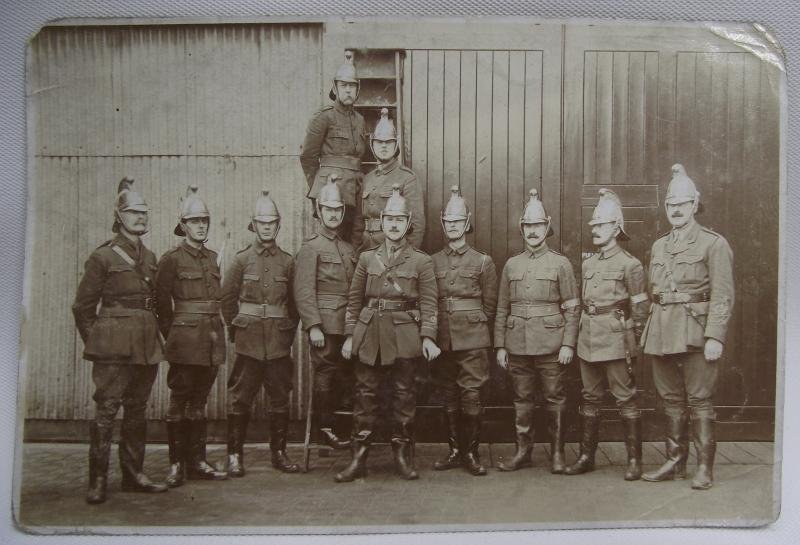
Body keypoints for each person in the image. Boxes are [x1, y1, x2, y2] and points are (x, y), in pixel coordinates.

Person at [72, 177, 168, 504]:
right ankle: (97, 480)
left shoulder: (151, 257)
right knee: (107, 412)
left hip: (144, 344)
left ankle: (133, 475)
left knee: (137, 410)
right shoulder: (103, 257)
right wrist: (98, 341)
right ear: (119, 215)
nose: (140, 217)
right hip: (113, 348)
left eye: (144, 212)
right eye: (132, 212)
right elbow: (83, 307)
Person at [336, 184, 440, 482]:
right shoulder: (367, 258)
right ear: (382, 222)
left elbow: (430, 302)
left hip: (404, 336)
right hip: (369, 336)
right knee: (365, 395)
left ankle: (402, 456)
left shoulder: (422, 261)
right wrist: (349, 336)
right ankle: (359, 458)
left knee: (404, 396)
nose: (394, 225)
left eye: (400, 220)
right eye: (389, 219)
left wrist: (428, 337)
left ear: (408, 224)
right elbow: (354, 300)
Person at [641, 164, 734, 490]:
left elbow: (723, 295)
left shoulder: (714, 244)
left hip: (696, 332)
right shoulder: (659, 246)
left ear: (695, 204)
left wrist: (715, 336)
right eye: (670, 204)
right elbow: (656, 292)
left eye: (682, 204)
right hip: (663, 331)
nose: (676, 210)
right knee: (671, 400)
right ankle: (674, 461)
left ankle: (704, 468)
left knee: (699, 400)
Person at [564, 189, 649, 480]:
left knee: (626, 398)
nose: (595, 230)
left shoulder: (631, 264)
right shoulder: (588, 264)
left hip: (616, 340)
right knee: (589, 398)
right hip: (588, 338)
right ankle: (587, 456)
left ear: (616, 227)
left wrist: (633, 343)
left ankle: (634, 461)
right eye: (593, 226)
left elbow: (639, 308)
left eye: (601, 225)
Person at [494, 189, 580, 473]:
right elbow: (502, 308)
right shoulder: (511, 264)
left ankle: (557, 454)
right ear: (522, 228)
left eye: (538, 225)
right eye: (528, 226)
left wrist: (568, 344)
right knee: (522, 399)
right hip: (517, 344)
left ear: (547, 227)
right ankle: (523, 452)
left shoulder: (561, 263)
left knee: (555, 398)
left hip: (551, 344)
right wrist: (501, 346)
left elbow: (572, 307)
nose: (533, 231)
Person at [221, 189, 301, 476]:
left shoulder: (288, 262)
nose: (267, 228)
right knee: (240, 397)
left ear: (278, 226)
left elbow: (294, 304)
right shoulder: (241, 261)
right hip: (249, 341)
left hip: (278, 340)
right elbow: (227, 299)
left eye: (272, 223)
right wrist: (236, 328)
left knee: (280, 397)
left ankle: (279, 453)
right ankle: (234, 455)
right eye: (262, 223)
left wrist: (287, 333)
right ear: (253, 225)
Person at [155, 185, 228, 487]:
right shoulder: (171, 259)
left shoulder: (212, 258)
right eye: (194, 221)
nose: (201, 226)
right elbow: (161, 305)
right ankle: (175, 464)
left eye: (204, 221)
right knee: (179, 402)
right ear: (182, 225)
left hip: (211, 339)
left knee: (199, 402)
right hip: (185, 341)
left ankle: (197, 460)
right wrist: (174, 334)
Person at [430, 186, 497, 476]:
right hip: (442, 338)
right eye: (448, 222)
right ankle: (454, 450)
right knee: (448, 394)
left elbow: (491, 305)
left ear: (467, 223)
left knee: (471, 395)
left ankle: (471, 453)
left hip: (473, 338)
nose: (452, 226)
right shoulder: (432, 261)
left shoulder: (483, 261)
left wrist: (474, 325)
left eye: (458, 221)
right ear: (443, 224)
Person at [293, 175, 356, 450]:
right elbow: (304, 291)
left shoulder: (348, 249)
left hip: (347, 325)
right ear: (319, 211)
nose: (333, 214)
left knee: (346, 377)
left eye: (337, 210)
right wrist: (313, 326)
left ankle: (344, 429)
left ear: (343, 212)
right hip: (324, 326)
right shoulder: (311, 248)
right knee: (325, 374)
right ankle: (325, 428)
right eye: (328, 209)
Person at [300, 50, 367, 244]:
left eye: (352, 86)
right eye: (344, 86)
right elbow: (307, 156)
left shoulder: (360, 120)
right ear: (335, 88)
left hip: (355, 189)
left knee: (353, 239)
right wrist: (319, 186)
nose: (348, 90)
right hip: (332, 188)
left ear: (358, 90)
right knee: (330, 241)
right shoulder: (324, 116)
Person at [355, 107, 424, 252]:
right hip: (365, 248)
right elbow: (358, 222)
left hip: (393, 249)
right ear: (372, 145)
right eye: (379, 142)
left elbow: (416, 225)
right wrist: (356, 249)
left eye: (388, 142)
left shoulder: (407, 178)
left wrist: (406, 259)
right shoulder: (367, 179)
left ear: (396, 145)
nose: (384, 146)